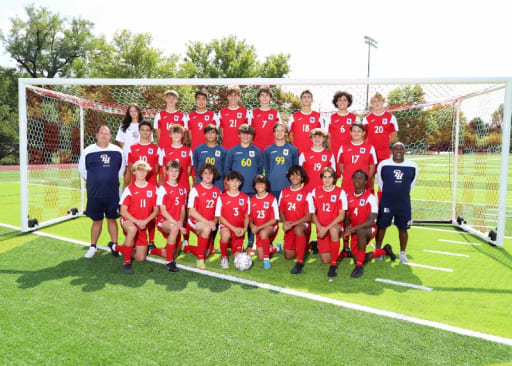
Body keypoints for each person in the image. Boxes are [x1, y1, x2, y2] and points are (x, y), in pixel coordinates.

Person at [78, 125, 125, 259]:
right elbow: (82, 170)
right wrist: (95, 180)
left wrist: (108, 179)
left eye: (107, 133)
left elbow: (120, 170)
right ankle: (93, 247)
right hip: (95, 193)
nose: (104, 135)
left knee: (112, 219)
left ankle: (115, 245)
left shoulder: (117, 151)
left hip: (111, 192)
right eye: (102, 133)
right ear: (97, 135)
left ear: (110, 136)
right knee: (97, 220)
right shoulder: (88, 151)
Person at [343, 170, 395, 278]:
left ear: (366, 181)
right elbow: (347, 216)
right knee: (359, 257)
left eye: (361, 178)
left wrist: (354, 228)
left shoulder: (370, 197)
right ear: (352, 179)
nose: (357, 180)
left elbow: (372, 220)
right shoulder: (348, 196)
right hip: (355, 230)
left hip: (368, 229)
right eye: (355, 178)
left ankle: (359, 267)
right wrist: (348, 227)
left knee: (361, 232)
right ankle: (384, 251)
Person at [110, 161, 159, 274]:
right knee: (132, 230)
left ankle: (117, 248)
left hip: (143, 224)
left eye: (144, 170)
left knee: (141, 258)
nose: (141, 172)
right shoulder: (129, 189)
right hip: (129, 220)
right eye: (139, 170)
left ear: (147, 172)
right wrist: (137, 221)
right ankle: (127, 263)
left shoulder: (153, 189)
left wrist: (145, 221)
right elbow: (123, 211)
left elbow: (156, 211)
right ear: (134, 172)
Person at [375, 142, 418, 264]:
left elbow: (411, 183)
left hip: (403, 202)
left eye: (401, 149)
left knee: (403, 228)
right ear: (391, 151)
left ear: (404, 151)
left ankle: (402, 252)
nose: (398, 151)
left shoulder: (413, 166)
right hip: (387, 201)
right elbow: (381, 182)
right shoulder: (383, 165)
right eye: (395, 149)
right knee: (382, 226)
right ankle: (378, 249)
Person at [224, 124, 263, 255]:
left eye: (248, 134)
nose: (246, 136)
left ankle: (250, 245)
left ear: (252, 136)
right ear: (239, 135)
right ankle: (236, 244)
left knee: (251, 218)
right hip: (236, 192)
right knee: (236, 217)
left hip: (252, 192)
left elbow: (259, 171)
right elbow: (227, 171)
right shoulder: (232, 151)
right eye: (243, 133)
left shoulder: (257, 151)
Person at [149, 160, 188, 272]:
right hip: (164, 221)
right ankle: (169, 262)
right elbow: (163, 211)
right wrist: (177, 224)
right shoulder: (163, 188)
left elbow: (182, 209)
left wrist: (180, 222)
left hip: (176, 223)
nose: (174, 173)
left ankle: (152, 250)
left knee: (172, 253)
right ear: (166, 172)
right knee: (175, 229)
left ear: (179, 172)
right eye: (171, 171)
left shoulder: (182, 189)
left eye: (176, 171)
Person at [310, 167, 347, 278]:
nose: (327, 180)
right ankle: (317, 246)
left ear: (334, 178)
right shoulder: (315, 191)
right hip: (321, 228)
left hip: (335, 227)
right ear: (321, 178)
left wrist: (326, 228)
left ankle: (334, 265)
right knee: (325, 260)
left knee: (333, 229)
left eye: (329, 177)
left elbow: (341, 216)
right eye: (324, 177)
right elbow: (312, 213)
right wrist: (320, 227)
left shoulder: (340, 192)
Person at [184, 164, 221, 270]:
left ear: (214, 175)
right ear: (201, 175)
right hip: (195, 221)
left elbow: (217, 213)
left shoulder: (217, 191)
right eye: (205, 173)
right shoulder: (195, 190)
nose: (208, 176)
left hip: (209, 223)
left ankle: (187, 247)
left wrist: (214, 222)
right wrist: (208, 223)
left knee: (207, 253)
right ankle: (200, 260)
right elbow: (192, 212)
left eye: (210, 173)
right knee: (206, 228)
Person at [278, 166, 314, 275]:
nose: (294, 177)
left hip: (302, 225)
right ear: (289, 177)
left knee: (298, 229)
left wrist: (292, 223)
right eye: (292, 174)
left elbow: (309, 216)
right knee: (288, 256)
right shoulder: (284, 192)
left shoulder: (307, 194)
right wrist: (285, 222)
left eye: (297, 174)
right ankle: (309, 246)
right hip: (289, 226)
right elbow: (281, 211)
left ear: (302, 178)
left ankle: (300, 263)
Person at [215, 171, 250, 269]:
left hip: (239, 230)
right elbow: (220, 217)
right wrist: (233, 228)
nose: (234, 184)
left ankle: (235, 251)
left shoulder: (245, 198)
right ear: (228, 182)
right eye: (232, 181)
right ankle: (224, 257)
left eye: (237, 181)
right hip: (226, 226)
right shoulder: (222, 197)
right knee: (225, 234)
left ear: (240, 183)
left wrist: (245, 229)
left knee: (237, 259)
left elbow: (247, 216)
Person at [249, 175, 281, 269]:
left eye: (262, 183)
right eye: (257, 183)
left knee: (263, 233)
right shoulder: (252, 200)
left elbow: (274, 220)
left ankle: (267, 261)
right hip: (259, 229)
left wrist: (258, 228)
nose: (260, 185)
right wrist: (252, 226)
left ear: (266, 185)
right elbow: (249, 217)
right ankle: (276, 248)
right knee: (260, 257)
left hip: (271, 227)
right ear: (254, 186)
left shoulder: (272, 199)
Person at [337, 123, 377, 194]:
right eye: (354, 131)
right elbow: (341, 166)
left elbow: (372, 168)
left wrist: (365, 180)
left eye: (359, 131)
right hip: (347, 185)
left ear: (363, 133)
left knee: (363, 204)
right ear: (350, 132)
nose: (356, 133)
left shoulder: (370, 148)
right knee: (347, 204)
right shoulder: (343, 147)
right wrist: (348, 177)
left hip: (363, 185)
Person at [263, 122, 299, 200]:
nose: (279, 133)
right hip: (272, 186)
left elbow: (296, 169)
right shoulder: (268, 150)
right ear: (274, 133)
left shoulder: (293, 149)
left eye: (282, 130)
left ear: (286, 133)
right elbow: (266, 169)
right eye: (277, 130)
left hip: (288, 186)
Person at [362, 92, 398, 164]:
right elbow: (363, 136)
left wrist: (383, 143)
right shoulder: (367, 118)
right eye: (374, 101)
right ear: (372, 103)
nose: (377, 103)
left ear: (383, 102)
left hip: (384, 152)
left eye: (379, 101)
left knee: (383, 173)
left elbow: (394, 136)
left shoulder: (391, 118)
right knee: (370, 174)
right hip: (371, 150)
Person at [116, 104, 149, 181]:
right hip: (128, 156)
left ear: (138, 111)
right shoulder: (124, 125)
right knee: (127, 180)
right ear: (128, 113)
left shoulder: (144, 124)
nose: (133, 113)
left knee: (140, 180)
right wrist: (127, 151)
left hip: (141, 156)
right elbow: (121, 141)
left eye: (135, 111)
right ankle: (125, 193)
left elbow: (148, 141)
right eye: (131, 111)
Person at [299, 128, 336, 193]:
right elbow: (300, 174)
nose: (317, 139)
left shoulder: (329, 155)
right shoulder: (304, 155)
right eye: (315, 137)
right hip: (308, 189)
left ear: (324, 138)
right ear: (311, 138)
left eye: (320, 137)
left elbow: (333, 174)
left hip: (325, 190)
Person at [288, 90, 324, 155]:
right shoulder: (294, 116)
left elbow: (322, 134)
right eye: (304, 97)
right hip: (298, 152)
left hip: (314, 151)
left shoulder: (318, 116)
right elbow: (290, 135)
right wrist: (295, 148)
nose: (306, 99)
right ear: (301, 100)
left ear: (312, 100)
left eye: (308, 97)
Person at [192, 124, 227, 191]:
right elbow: (196, 167)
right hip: (202, 183)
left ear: (217, 135)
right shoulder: (198, 149)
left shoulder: (223, 151)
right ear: (205, 135)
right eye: (208, 133)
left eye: (212, 132)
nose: (210, 135)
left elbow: (225, 169)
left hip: (217, 183)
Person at [158, 124, 193, 191]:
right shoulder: (165, 150)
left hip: (184, 186)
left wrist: (183, 178)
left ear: (182, 135)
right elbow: (164, 169)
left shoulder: (188, 150)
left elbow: (189, 169)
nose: (176, 135)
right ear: (170, 135)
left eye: (178, 133)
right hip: (169, 186)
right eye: (174, 133)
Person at [125, 121, 159, 188]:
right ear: (139, 131)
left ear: (151, 132)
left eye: (147, 130)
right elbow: (131, 168)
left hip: (152, 184)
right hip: (137, 184)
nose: (145, 132)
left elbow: (157, 170)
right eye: (142, 130)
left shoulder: (156, 149)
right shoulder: (132, 148)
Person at [248, 87, 281, 154]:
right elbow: (249, 131)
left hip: (272, 147)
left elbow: (280, 130)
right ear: (259, 98)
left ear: (270, 98)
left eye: (267, 95)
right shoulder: (253, 113)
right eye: (262, 95)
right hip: (257, 146)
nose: (264, 97)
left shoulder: (275, 113)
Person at [326, 91, 358, 158]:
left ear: (348, 102)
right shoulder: (330, 118)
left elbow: (359, 136)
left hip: (351, 151)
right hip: (335, 151)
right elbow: (328, 137)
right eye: (339, 100)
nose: (342, 102)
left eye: (344, 100)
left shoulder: (355, 118)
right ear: (336, 102)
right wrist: (331, 151)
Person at [219, 85, 248, 150]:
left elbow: (247, 131)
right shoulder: (222, 112)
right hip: (226, 147)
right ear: (227, 97)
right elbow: (222, 132)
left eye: (235, 95)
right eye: (231, 95)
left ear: (239, 97)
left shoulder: (244, 112)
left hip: (241, 147)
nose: (233, 97)